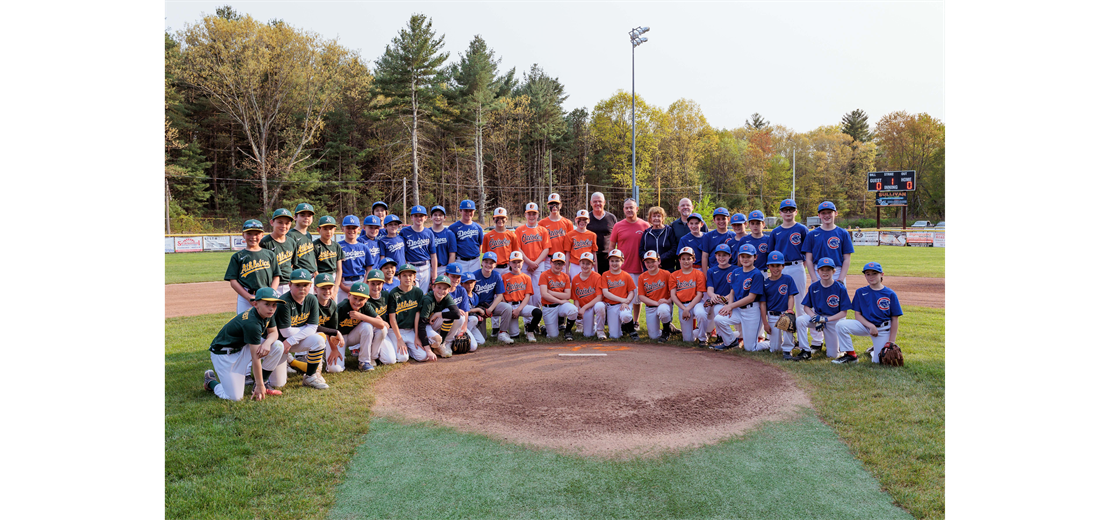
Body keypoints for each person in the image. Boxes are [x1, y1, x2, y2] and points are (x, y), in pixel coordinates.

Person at [203, 287, 287, 401]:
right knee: (235, 397)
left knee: (277, 346)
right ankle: (211, 382)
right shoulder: (252, 323)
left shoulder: (267, 313)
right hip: (223, 354)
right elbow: (256, 357)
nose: (271, 308)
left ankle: (263, 381)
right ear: (256, 304)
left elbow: (274, 333)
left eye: (274, 304)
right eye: (267, 304)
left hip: (242, 348)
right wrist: (259, 385)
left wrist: (267, 342)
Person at [803, 201, 853, 351]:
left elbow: (847, 258)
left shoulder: (842, 233)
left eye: (829, 212)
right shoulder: (812, 234)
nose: (826, 215)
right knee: (817, 306)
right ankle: (817, 341)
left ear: (835, 214)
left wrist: (841, 278)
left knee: (837, 306)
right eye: (823, 213)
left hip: (836, 271)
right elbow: (809, 259)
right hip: (818, 271)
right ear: (819, 215)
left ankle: (838, 343)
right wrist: (813, 278)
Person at [833, 262, 902, 364]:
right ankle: (851, 355)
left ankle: (875, 350)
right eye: (868, 274)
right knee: (840, 325)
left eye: (874, 273)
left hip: (882, 329)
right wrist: (870, 326)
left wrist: (891, 342)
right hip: (865, 326)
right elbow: (857, 315)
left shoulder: (890, 294)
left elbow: (895, 319)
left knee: (879, 362)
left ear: (882, 274)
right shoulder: (860, 292)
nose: (871, 276)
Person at [275, 269, 329, 389]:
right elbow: (286, 332)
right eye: (297, 285)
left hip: (290, 341)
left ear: (311, 285)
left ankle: (310, 376)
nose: (302, 288)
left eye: (305, 285)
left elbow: (314, 327)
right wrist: (306, 328)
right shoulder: (284, 301)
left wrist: (292, 340)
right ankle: (286, 362)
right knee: (278, 383)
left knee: (318, 340)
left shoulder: (312, 299)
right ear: (289, 285)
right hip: (279, 344)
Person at [329, 280, 390, 372]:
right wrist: (334, 349)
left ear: (366, 299)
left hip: (352, 336)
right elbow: (329, 330)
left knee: (367, 326)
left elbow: (381, 325)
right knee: (334, 369)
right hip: (338, 338)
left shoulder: (366, 306)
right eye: (355, 298)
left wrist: (361, 316)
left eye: (361, 299)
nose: (357, 302)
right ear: (349, 295)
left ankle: (364, 361)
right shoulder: (341, 307)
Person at [713, 244, 764, 351]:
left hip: (752, 311)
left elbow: (751, 298)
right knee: (719, 319)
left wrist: (731, 306)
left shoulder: (757, 274)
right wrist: (729, 306)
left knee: (750, 348)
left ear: (755, 257)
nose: (745, 259)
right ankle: (731, 342)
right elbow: (732, 291)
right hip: (738, 309)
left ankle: (770, 344)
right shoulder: (736, 272)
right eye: (742, 256)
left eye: (748, 256)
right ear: (739, 257)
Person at [798, 257, 850, 359]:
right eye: (822, 270)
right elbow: (806, 307)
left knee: (832, 355)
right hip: (817, 317)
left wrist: (825, 319)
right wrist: (815, 317)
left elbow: (844, 313)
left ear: (834, 271)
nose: (825, 272)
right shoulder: (814, 287)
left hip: (832, 320)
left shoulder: (840, 288)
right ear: (818, 271)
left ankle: (839, 349)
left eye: (828, 270)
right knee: (800, 320)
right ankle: (805, 351)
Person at [611, 198, 650, 330]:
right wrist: (612, 264)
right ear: (623, 210)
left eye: (631, 207)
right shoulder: (618, 226)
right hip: (623, 268)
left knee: (637, 297)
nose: (629, 210)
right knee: (623, 296)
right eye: (626, 208)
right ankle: (623, 320)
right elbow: (612, 245)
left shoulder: (645, 225)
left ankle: (636, 321)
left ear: (637, 209)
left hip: (639, 267)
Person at [226, 219, 279, 314]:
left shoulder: (270, 254)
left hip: (266, 293)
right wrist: (248, 297)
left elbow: (276, 276)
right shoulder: (237, 256)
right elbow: (233, 281)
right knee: (245, 323)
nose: (253, 237)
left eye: (256, 234)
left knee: (267, 324)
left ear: (262, 235)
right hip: (246, 295)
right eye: (249, 233)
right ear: (243, 235)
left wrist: (271, 293)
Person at [757, 251, 800, 359]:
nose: (775, 268)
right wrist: (765, 323)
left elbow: (791, 296)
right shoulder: (765, 282)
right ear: (768, 266)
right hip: (772, 316)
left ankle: (788, 349)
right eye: (772, 265)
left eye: (778, 265)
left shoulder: (787, 279)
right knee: (775, 349)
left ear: (783, 266)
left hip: (784, 314)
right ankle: (769, 343)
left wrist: (789, 310)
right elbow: (763, 304)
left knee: (787, 323)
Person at [387, 264, 435, 362]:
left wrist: (417, 336)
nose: (408, 278)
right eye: (404, 275)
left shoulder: (418, 292)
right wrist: (399, 339)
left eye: (410, 275)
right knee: (403, 358)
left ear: (414, 277)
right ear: (399, 277)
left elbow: (417, 315)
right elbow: (392, 319)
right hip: (396, 331)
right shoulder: (394, 293)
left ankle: (408, 348)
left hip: (410, 331)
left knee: (423, 356)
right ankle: (401, 347)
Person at [470, 251, 515, 344]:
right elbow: (468, 294)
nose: (488, 265)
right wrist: (477, 310)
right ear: (482, 263)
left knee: (507, 308)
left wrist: (490, 309)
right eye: (486, 262)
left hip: (490, 305)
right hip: (477, 307)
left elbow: (500, 296)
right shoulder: (474, 275)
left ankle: (502, 333)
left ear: (495, 265)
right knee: (482, 339)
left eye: (491, 263)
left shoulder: (496, 275)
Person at [669, 246, 709, 343]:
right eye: (683, 259)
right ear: (679, 260)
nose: (686, 261)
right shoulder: (674, 275)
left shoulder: (699, 274)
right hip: (682, 305)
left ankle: (703, 338)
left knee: (701, 314)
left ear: (694, 260)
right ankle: (695, 332)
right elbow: (673, 296)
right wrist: (684, 308)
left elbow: (699, 295)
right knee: (688, 340)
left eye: (689, 259)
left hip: (696, 303)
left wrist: (688, 308)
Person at [419, 275, 464, 359]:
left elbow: (456, 314)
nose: (441, 291)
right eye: (439, 287)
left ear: (449, 290)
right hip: (424, 325)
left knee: (460, 318)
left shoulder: (446, 297)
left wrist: (437, 314)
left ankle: (445, 343)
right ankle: (434, 344)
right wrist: (427, 349)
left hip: (433, 322)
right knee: (436, 340)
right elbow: (421, 325)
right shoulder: (428, 300)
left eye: (445, 288)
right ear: (433, 287)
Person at [502, 251, 543, 342]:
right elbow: (502, 296)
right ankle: (508, 332)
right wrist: (509, 309)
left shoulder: (526, 277)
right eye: (514, 262)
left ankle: (530, 331)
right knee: (515, 336)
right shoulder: (504, 277)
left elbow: (527, 296)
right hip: (510, 306)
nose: (516, 264)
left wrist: (518, 310)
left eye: (519, 262)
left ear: (523, 263)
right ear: (509, 263)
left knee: (538, 312)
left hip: (522, 305)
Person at [516, 202, 552, 308]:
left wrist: (535, 263)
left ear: (537, 215)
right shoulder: (519, 230)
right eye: (529, 213)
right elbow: (518, 248)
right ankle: (527, 322)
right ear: (525, 215)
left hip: (539, 264)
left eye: (534, 214)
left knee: (538, 293)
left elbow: (546, 249)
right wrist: (529, 262)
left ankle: (536, 319)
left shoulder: (543, 230)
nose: (531, 216)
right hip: (524, 264)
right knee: (526, 292)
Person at [538, 252, 578, 340]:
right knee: (553, 336)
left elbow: (567, 295)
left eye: (560, 263)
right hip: (549, 307)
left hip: (561, 306)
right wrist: (560, 300)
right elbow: (544, 295)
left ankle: (567, 331)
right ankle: (544, 329)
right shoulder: (544, 275)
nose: (557, 266)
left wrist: (550, 292)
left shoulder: (565, 276)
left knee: (573, 310)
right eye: (555, 263)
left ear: (564, 264)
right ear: (550, 262)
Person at [638, 250, 673, 342]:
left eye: (653, 261)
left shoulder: (666, 274)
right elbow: (642, 297)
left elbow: (673, 292)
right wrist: (656, 303)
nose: (650, 264)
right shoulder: (642, 277)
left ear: (659, 261)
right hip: (651, 307)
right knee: (653, 336)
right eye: (647, 262)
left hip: (664, 304)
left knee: (663, 310)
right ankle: (670, 328)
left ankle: (666, 331)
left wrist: (668, 301)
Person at [601, 249, 637, 339]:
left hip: (623, 304)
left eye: (617, 261)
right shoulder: (605, 275)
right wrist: (622, 299)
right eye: (612, 261)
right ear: (608, 262)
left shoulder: (626, 275)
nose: (614, 263)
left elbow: (631, 292)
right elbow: (605, 293)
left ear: (622, 261)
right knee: (614, 335)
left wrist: (626, 301)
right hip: (611, 305)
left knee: (626, 315)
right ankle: (623, 326)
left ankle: (632, 330)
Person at [260, 208, 298, 295]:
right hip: (272, 285)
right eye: (280, 222)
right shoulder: (265, 243)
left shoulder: (291, 242)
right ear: (272, 222)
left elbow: (292, 264)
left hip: (289, 284)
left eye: (287, 223)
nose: (284, 226)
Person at [401, 205, 438, 292]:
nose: (418, 218)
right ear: (411, 217)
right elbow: (403, 254)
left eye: (421, 216)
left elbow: (433, 256)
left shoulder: (429, 233)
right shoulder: (404, 232)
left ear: (425, 218)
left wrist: (434, 275)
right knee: (412, 294)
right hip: (411, 267)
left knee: (423, 295)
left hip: (426, 267)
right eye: (416, 216)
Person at [571, 252, 607, 339]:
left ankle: (600, 330)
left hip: (594, 305)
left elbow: (599, 297)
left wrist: (583, 308)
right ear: (579, 263)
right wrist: (578, 311)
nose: (585, 266)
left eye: (588, 263)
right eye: (583, 263)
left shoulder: (597, 277)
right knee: (588, 334)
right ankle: (593, 325)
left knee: (600, 305)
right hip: (585, 308)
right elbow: (576, 299)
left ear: (593, 265)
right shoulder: (575, 278)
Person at [337, 215, 372, 303]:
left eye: (354, 227)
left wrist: (364, 283)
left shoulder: (364, 247)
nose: (351, 230)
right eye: (348, 227)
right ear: (343, 229)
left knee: (360, 311)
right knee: (342, 311)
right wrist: (342, 286)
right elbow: (337, 269)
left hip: (360, 281)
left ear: (359, 229)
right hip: (344, 283)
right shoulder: (338, 246)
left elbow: (369, 268)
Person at [481, 207, 520, 278]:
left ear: (506, 219)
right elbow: (485, 255)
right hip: (493, 268)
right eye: (497, 218)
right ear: (493, 219)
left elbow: (515, 254)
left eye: (502, 218)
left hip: (507, 268)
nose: (500, 220)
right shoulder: (487, 236)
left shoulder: (512, 235)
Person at [312, 216, 344, 301]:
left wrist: (335, 289)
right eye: (325, 228)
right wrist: (321, 286)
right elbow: (314, 269)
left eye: (331, 228)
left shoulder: (336, 246)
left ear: (334, 229)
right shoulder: (314, 245)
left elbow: (339, 269)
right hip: (319, 278)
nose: (328, 231)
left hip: (332, 278)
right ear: (319, 230)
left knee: (332, 307)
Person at [449, 199, 484, 274]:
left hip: (475, 261)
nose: (468, 213)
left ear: (474, 212)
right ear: (460, 211)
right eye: (466, 210)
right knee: (459, 283)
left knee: (474, 283)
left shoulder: (478, 227)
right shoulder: (453, 228)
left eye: (471, 211)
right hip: (460, 261)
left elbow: (480, 245)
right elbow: (450, 248)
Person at [640, 206, 678, 272]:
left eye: (659, 216)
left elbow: (674, 248)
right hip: (650, 269)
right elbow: (641, 251)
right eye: (654, 216)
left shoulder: (669, 231)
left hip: (667, 268)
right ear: (650, 219)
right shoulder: (646, 233)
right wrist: (651, 261)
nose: (656, 218)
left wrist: (660, 259)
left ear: (663, 218)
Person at [701, 208, 735, 278]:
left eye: (723, 218)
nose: (721, 221)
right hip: (714, 270)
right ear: (714, 220)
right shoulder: (708, 236)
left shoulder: (734, 236)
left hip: (730, 272)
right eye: (718, 219)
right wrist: (705, 275)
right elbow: (705, 256)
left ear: (728, 219)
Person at [586, 192, 618, 269]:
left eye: (600, 201)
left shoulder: (611, 218)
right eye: (595, 201)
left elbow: (617, 238)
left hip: (607, 257)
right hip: (590, 257)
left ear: (604, 202)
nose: (597, 203)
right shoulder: (586, 218)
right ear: (591, 203)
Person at [540, 193, 574, 263]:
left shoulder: (568, 223)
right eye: (551, 204)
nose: (554, 206)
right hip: (548, 259)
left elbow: (572, 243)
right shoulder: (541, 223)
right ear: (548, 206)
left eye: (556, 204)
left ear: (560, 205)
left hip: (563, 258)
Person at [566, 209, 598, 279]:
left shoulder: (592, 235)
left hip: (589, 265)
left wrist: (596, 270)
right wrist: (567, 270)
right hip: (575, 266)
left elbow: (594, 253)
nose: (582, 222)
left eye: (584, 220)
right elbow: (567, 253)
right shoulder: (570, 235)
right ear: (575, 220)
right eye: (579, 219)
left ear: (588, 221)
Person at [290, 203, 317, 276]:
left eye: (309, 215)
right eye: (302, 215)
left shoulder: (308, 234)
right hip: (299, 276)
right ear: (295, 217)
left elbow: (311, 257)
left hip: (311, 275)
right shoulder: (290, 235)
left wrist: (315, 271)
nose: (306, 218)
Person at [429, 205, 457, 275]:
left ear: (444, 218)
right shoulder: (427, 233)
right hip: (429, 268)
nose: (437, 217)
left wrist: (448, 271)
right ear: (431, 217)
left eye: (440, 215)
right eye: (435, 215)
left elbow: (452, 255)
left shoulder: (449, 234)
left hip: (443, 268)